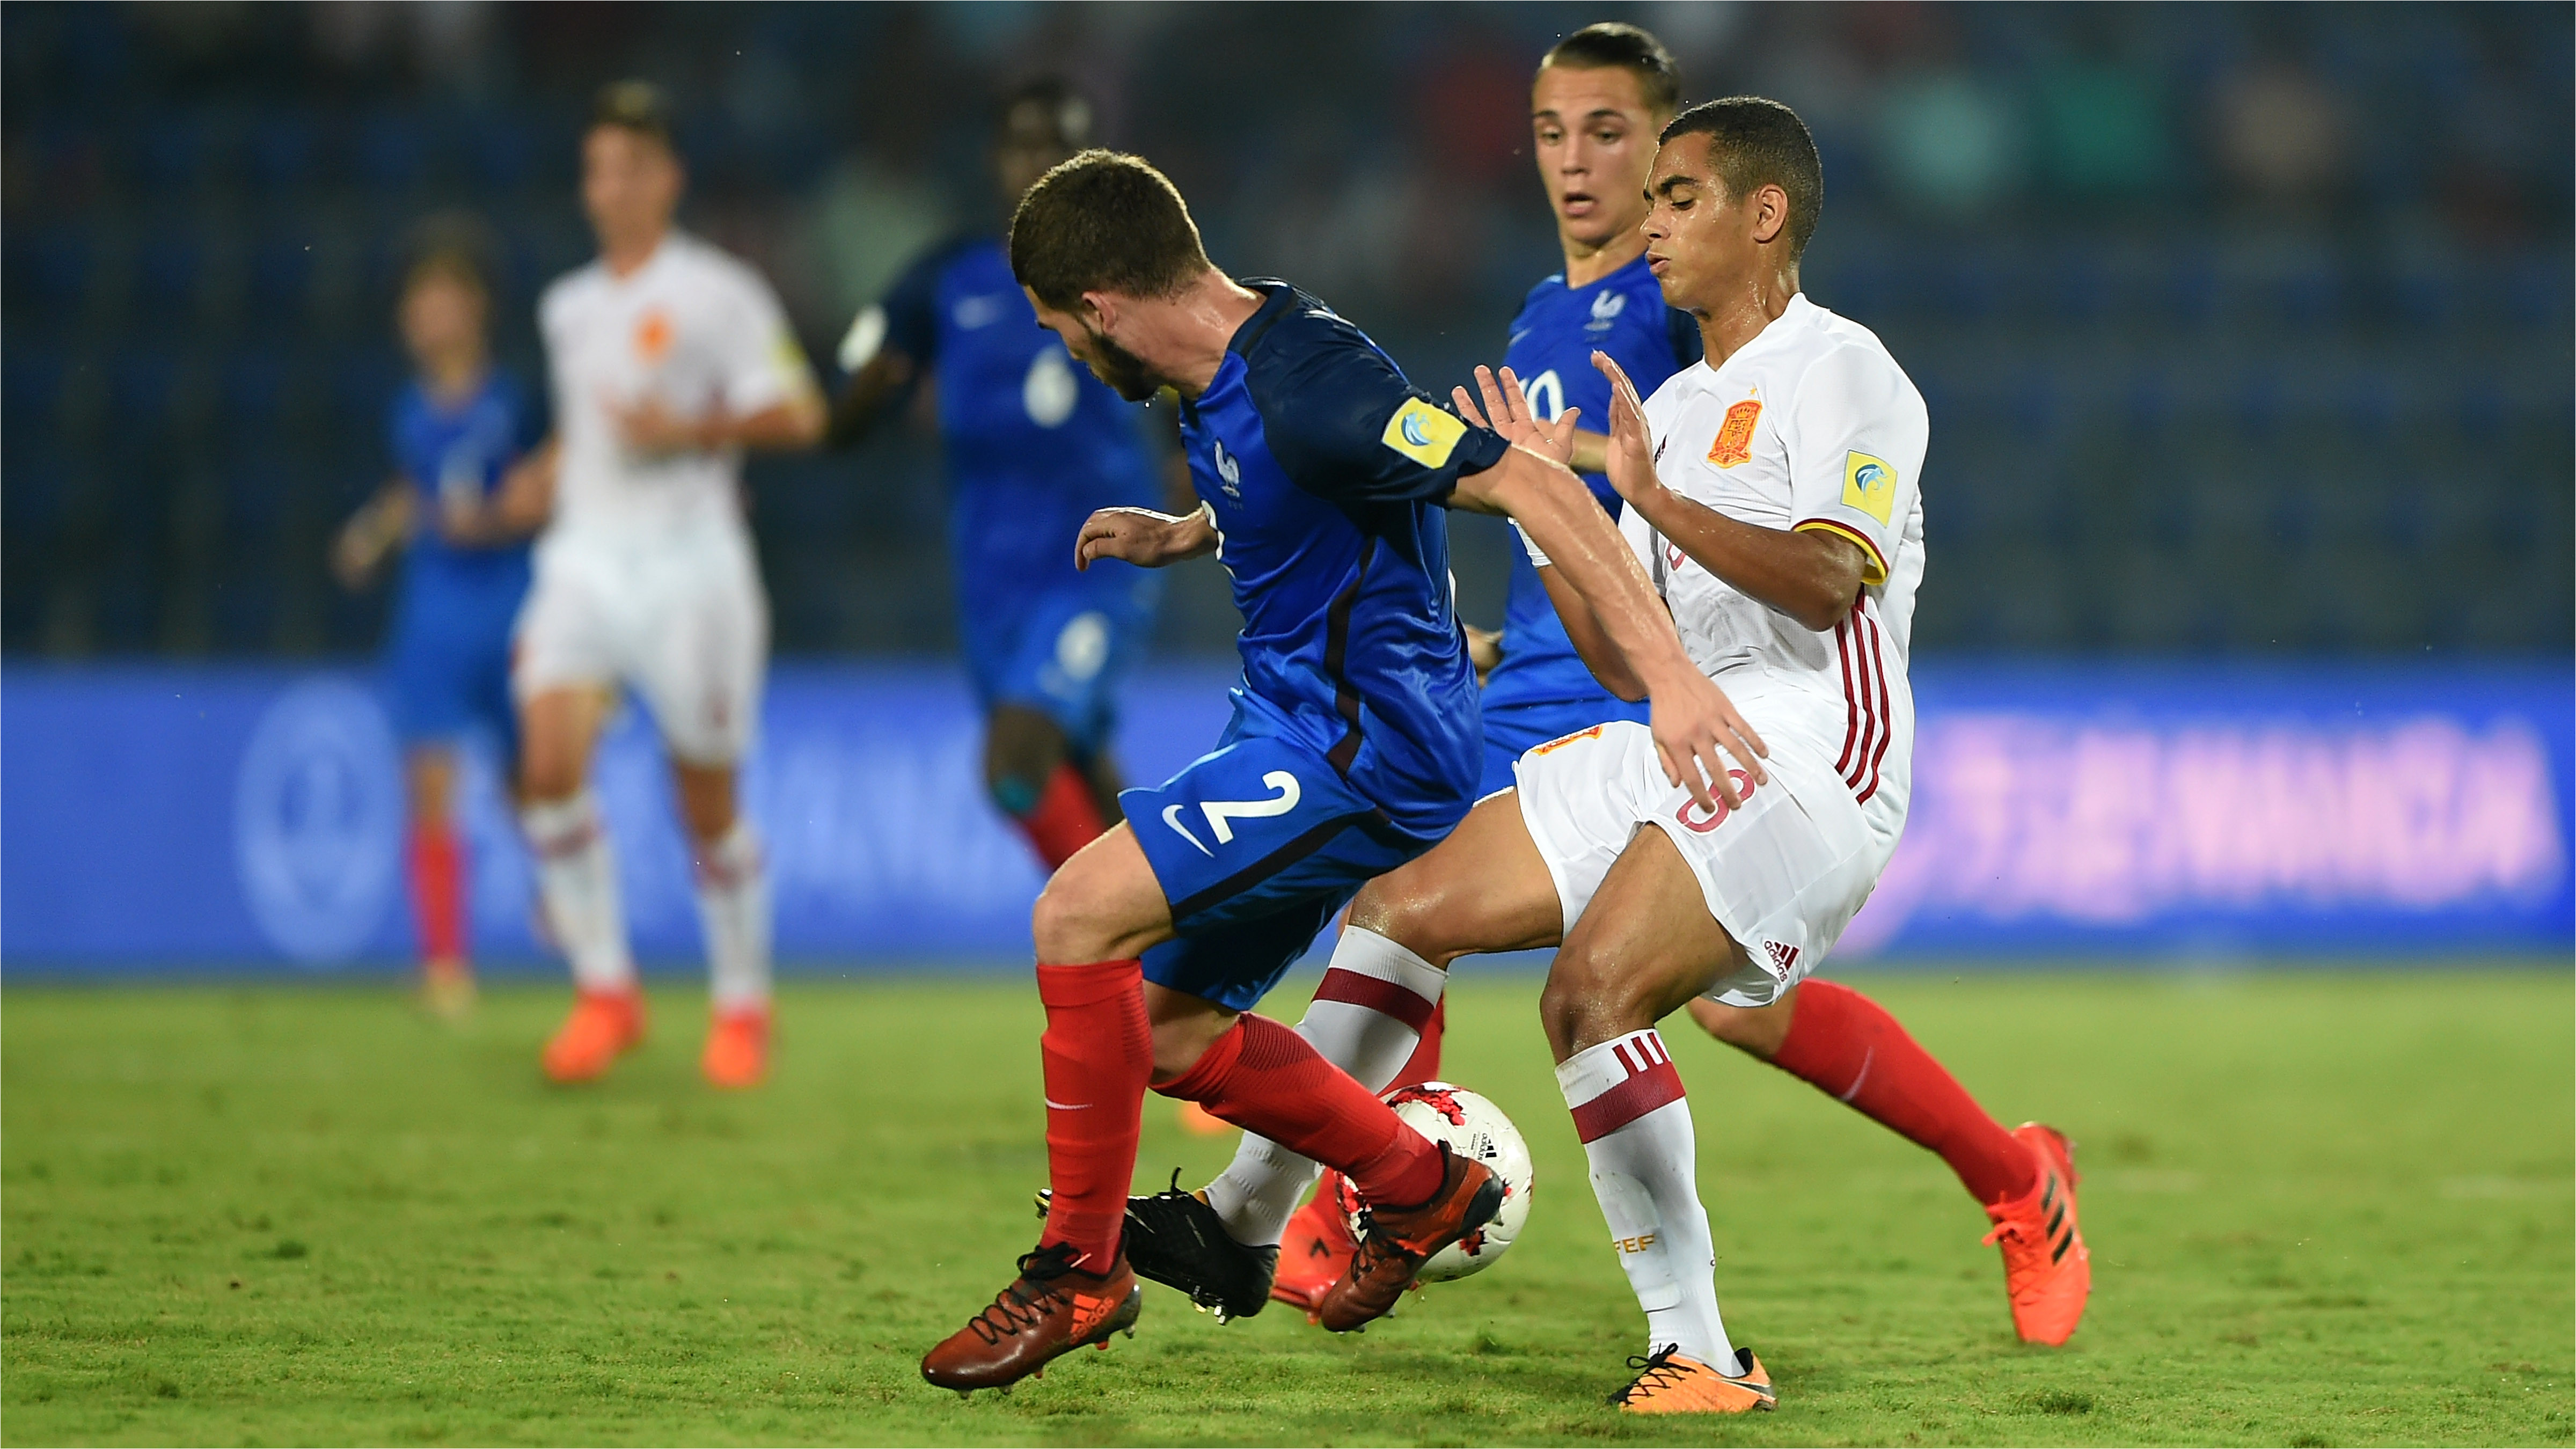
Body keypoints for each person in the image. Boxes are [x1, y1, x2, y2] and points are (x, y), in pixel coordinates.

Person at [1130, 98, 2092, 1413]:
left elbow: (1823, 585)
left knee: (1596, 998)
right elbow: (1616, 647)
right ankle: (1247, 1220)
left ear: (1765, 217)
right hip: (1676, 727)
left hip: (1819, 753)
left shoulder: (1843, 371)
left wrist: (1642, 495)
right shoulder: (1675, 407)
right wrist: (1550, 512)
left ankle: (1697, 1353)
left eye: (1679, 196)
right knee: (1402, 907)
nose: (1651, 221)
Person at [918, 149, 1766, 1396]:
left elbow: (1532, 483)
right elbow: (1316, 478)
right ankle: (1425, 1187)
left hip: (1362, 749)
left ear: (1101, 305)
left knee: (1076, 915)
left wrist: (1672, 678)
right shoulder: (1241, 347)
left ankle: (1077, 1274)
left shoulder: (1312, 384)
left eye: (1062, 330)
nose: (1068, 356)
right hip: (1301, 724)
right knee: (1159, 1028)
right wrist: (1194, 531)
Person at [505, 82, 825, 1090]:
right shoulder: (568, 308)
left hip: (693, 569)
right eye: (601, 168)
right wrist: (545, 473)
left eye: (634, 167)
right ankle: (607, 990)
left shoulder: (718, 292)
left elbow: (802, 414)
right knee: (548, 763)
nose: (615, 186)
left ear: (669, 179)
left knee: (707, 805)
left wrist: (688, 430)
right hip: (585, 559)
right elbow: (590, 426)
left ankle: (741, 1005)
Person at [827, 78, 1178, 874]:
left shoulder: (1144, 274)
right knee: (1074, 770)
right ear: (995, 161)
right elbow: (844, 417)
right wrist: (868, 398)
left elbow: (1198, 395)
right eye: (1024, 146)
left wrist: (1194, 471)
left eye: (1060, 147)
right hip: (992, 576)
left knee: (1014, 763)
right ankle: (1170, 951)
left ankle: (1103, 944)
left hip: (1101, 565)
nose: (1040, 164)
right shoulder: (942, 279)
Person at [331, 234, 541, 1020]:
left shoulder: (514, 400)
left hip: (512, 602)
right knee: (429, 779)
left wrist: (489, 520)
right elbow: (407, 494)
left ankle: (566, 900)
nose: (430, 316)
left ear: (476, 310)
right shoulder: (407, 412)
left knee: (533, 779)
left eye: (444, 300)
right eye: (419, 304)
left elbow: (536, 489)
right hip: (434, 610)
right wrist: (371, 534)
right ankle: (446, 966)